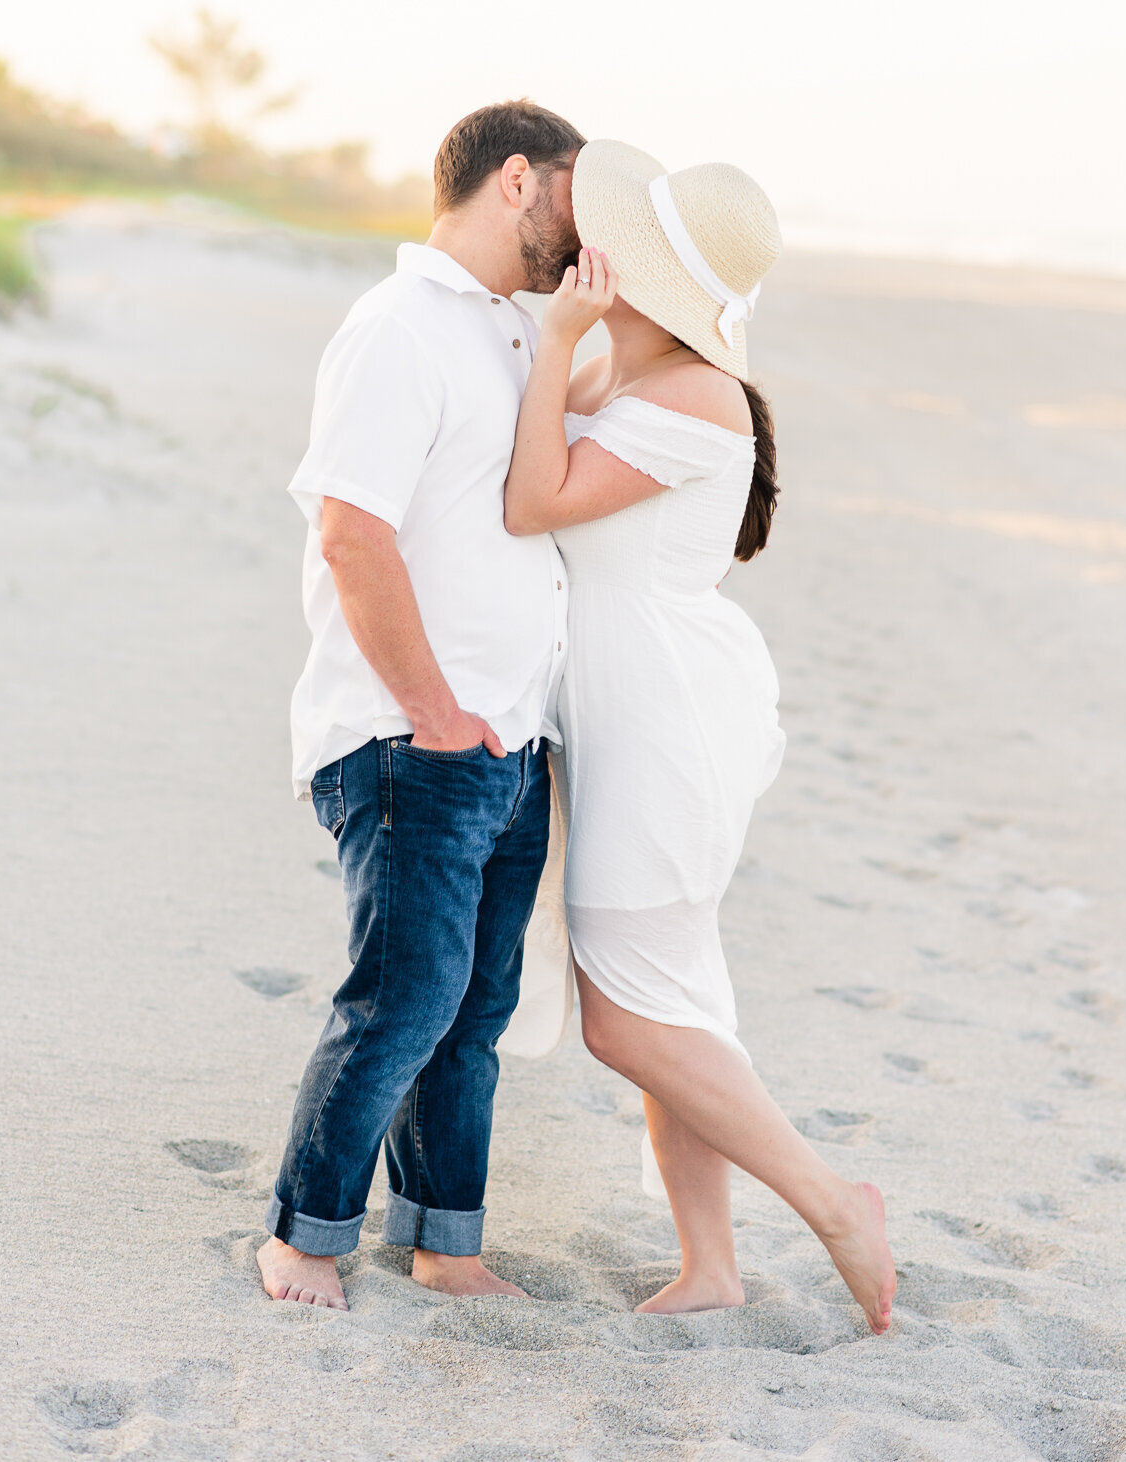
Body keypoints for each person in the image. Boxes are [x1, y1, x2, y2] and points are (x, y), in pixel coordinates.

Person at [503, 140, 896, 1335]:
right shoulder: (641, 370)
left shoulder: (693, 396)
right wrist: (568, 346)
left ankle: (835, 1204)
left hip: (663, 716)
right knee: (672, 998)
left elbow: (531, 499)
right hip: (635, 702)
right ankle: (710, 1266)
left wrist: (562, 343)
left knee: (630, 1014)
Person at [257, 100, 584, 1311]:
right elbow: (352, 532)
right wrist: (433, 709)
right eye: (575, 192)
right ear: (516, 182)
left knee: (475, 1010)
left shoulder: (510, 333)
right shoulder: (398, 326)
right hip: (415, 737)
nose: (579, 224)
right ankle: (305, 1235)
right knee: (405, 998)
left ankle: (445, 1241)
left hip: (507, 737)